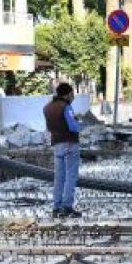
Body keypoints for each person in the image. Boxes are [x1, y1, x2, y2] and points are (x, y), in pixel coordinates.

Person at [43, 83, 82, 218]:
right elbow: (72, 127)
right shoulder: (66, 107)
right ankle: (67, 206)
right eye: (72, 94)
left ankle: (56, 207)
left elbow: (51, 126)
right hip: (70, 144)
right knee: (71, 176)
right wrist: (79, 123)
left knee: (59, 177)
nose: (73, 96)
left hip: (57, 144)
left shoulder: (47, 108)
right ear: (67, 94)